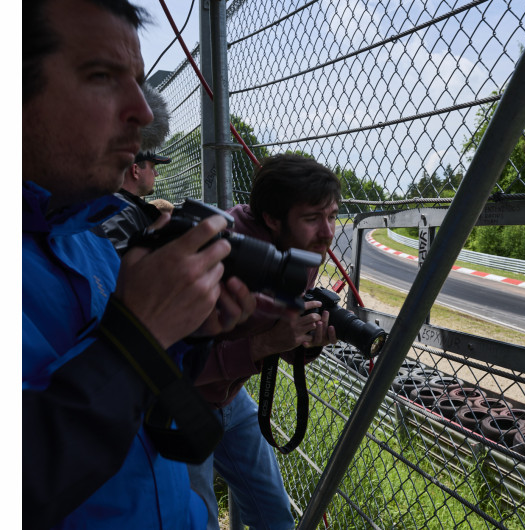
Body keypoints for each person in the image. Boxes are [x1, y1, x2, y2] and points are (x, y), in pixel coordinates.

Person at [22, 0, 255, 528]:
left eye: (139, 79)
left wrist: (186, 333)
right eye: (101, 75)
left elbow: (131, 402)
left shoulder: (87, 237)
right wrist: (137, 338)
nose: (143, 111)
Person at [188, 153, 342, 529]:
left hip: (229, 395)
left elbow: (279, 339)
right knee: (196, 520)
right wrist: (263, 346)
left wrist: (306, 342)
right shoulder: (217, 257)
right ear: (272, 219)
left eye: (333, 215)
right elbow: (170, 363)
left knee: (274, 516)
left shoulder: (303, 257)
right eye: (312, 218)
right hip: (177, 400)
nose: (327, 232)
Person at [93, 151, 171, 254]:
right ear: (135, 171)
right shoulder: (118, 208)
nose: (156, 174)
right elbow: (119, 261)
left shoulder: (118, 203)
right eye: (152, 167)